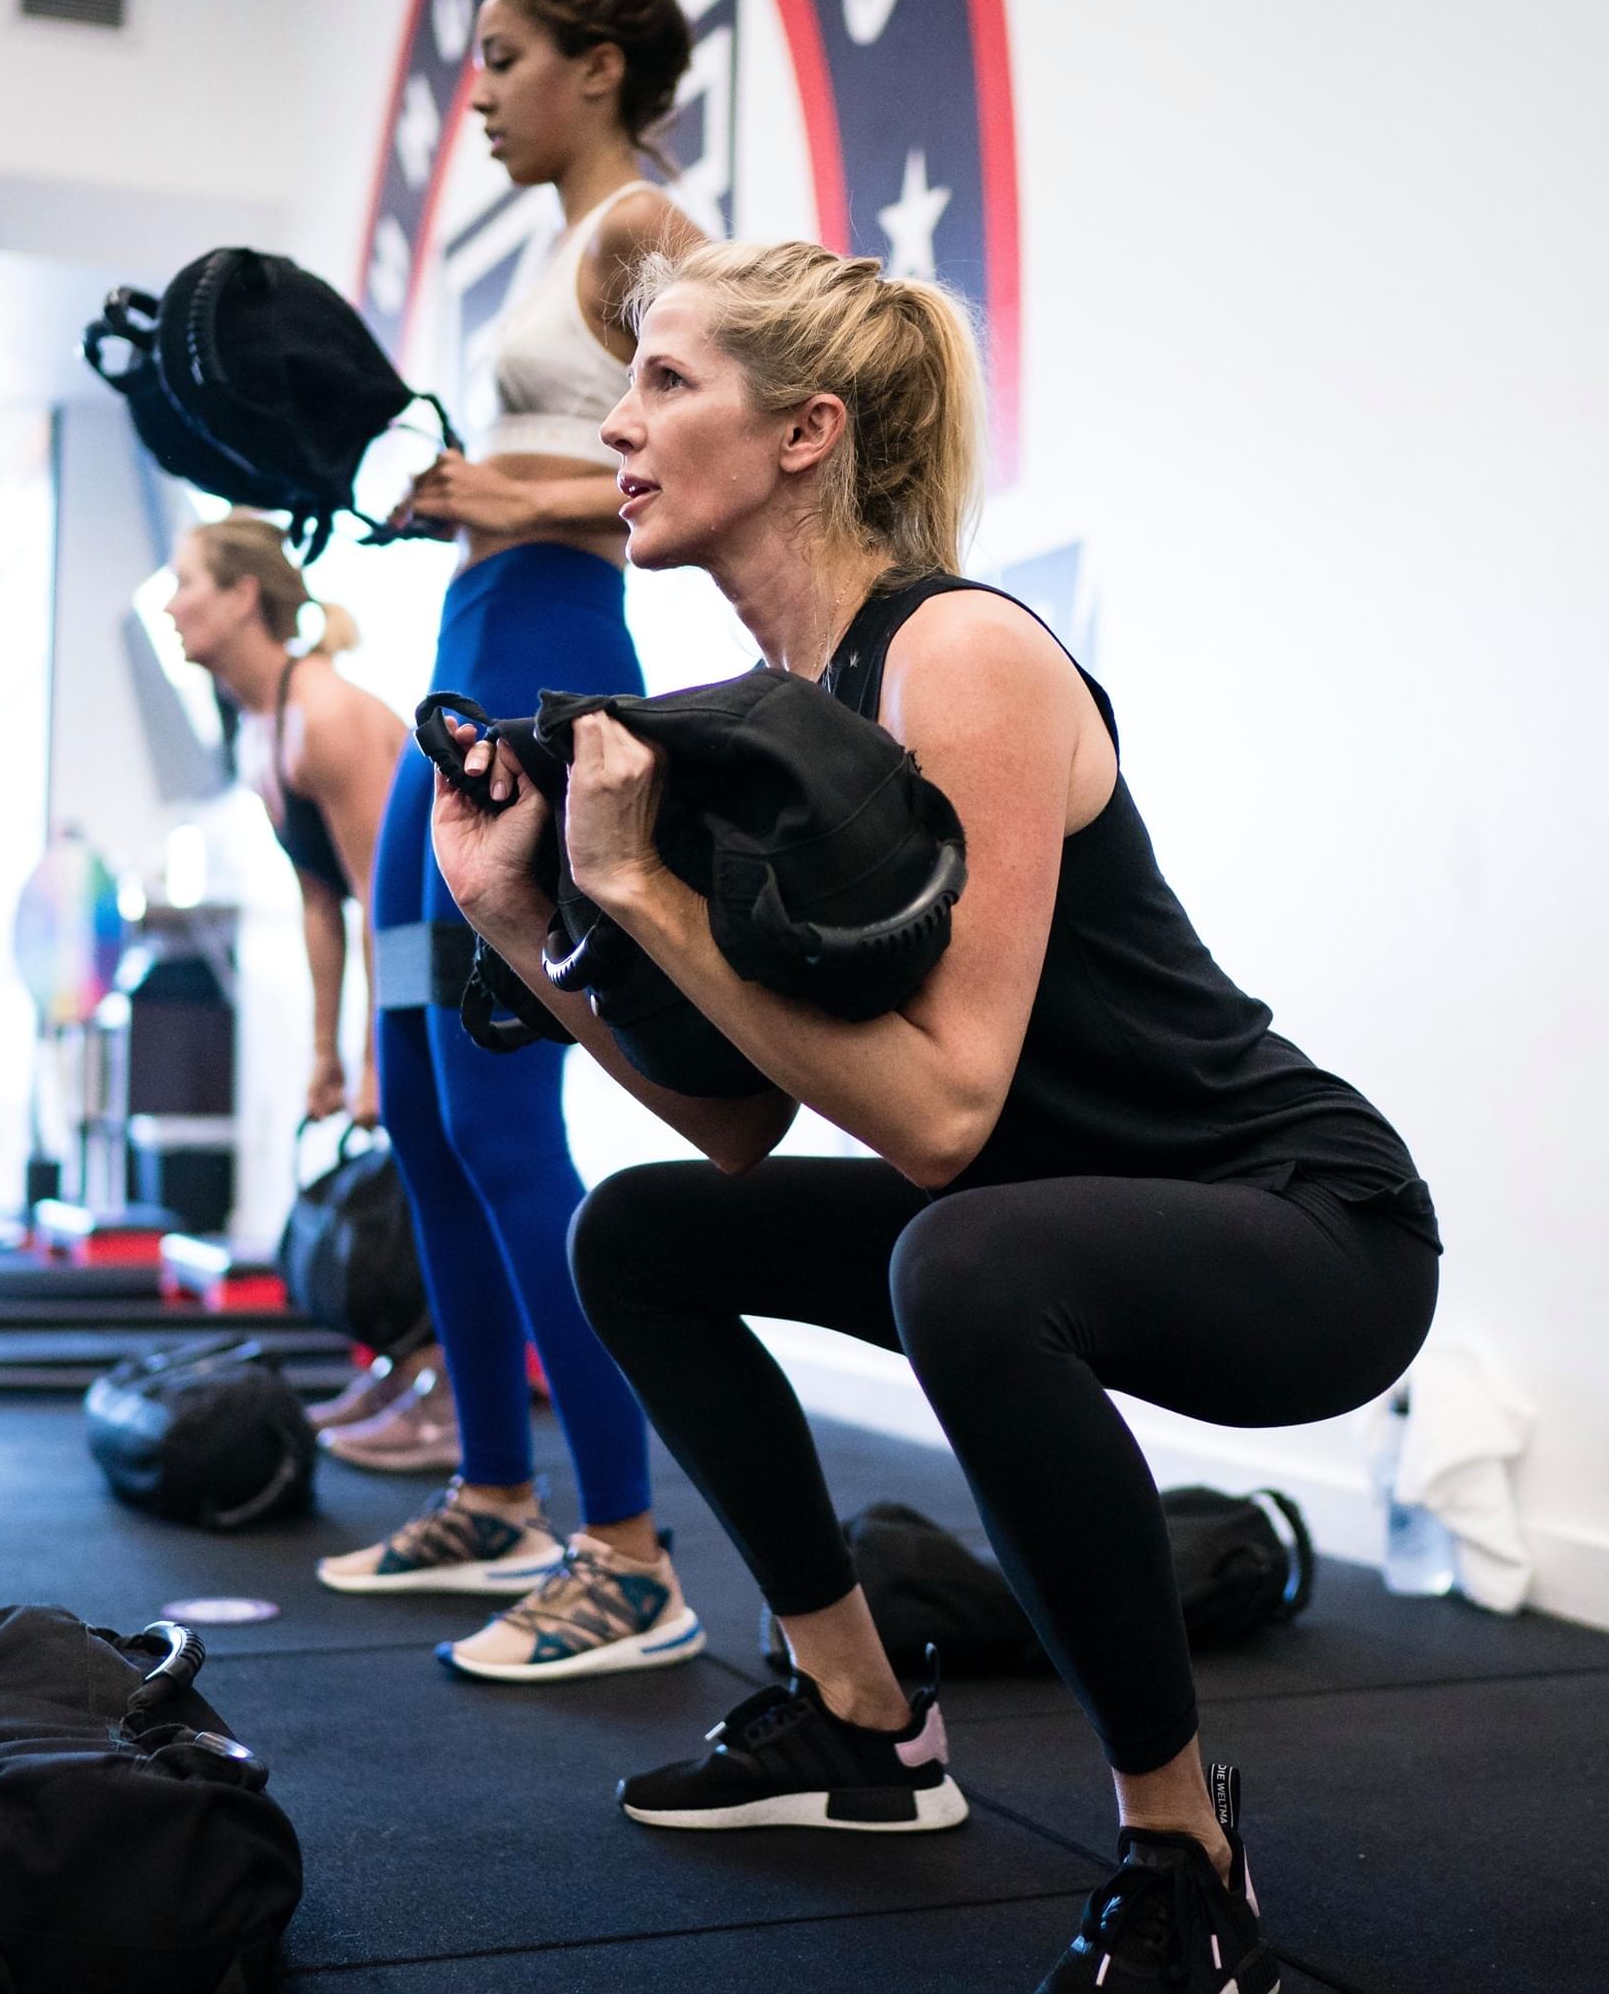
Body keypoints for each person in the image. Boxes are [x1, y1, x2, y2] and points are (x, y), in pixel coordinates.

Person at [426, 240, 1441, 1994]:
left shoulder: (955, 653)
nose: (617, 427)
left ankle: (1182, 1853)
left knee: (958, 1256)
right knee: (641, 1232)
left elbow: (945, 1114)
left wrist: (643, 892)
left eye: (667, 382)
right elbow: (734, 1122)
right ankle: (857, 1719)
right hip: (1046, 1215)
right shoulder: (776, 719)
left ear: (805, 431)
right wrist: (524, 913)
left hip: (1304, 1222)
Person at [317, 0, 714, 1680]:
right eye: (471, 61)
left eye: (504, 57)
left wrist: (498, 487)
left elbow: (702, 448)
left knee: (497, 1118)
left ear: (599, 67)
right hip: (459, 672)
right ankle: (491, 1489)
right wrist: (457, 497)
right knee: (417, 1107)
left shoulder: (640, 229)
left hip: (548, 680)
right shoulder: (561, 247)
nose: (477, 93)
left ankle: (625, 1548)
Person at [164, 518, 458, 1474]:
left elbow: (386, 899)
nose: (171, 605)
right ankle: (410, 1367)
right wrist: (325, 1053)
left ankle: (452, 1393)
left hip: (458, 947)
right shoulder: (260, 730)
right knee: (403, 1173)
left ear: (242, 597)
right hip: (400, 945)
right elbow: (320, 902)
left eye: (186, 583)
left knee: (445, 1170)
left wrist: (380, 1058)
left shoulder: (322, 713)